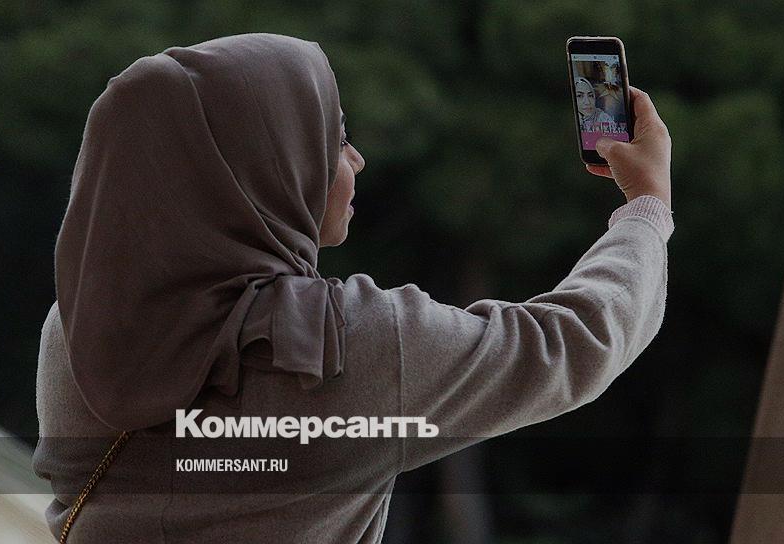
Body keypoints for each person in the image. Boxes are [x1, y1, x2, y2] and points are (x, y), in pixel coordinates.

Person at [34, 33, 673, 543]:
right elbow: (570, 342)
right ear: (268, 163)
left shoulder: (75, 331)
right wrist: (645, 207)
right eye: (335, 137)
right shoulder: (337, 350)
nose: (355, 158)